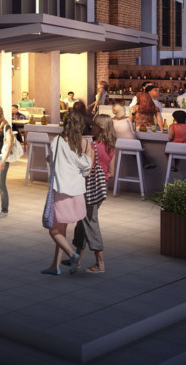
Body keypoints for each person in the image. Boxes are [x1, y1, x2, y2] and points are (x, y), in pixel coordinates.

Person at [71, 113, 115, 274]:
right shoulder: (111, 147)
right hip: (101, 188)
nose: (92, 128)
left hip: (88, 188)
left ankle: (100, 263)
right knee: (82, 223)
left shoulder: (92, 146)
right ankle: (75, 258)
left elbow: (86, 170)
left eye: (94, 126)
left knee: (90, 222)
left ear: (100, 128)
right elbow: (111, 173)